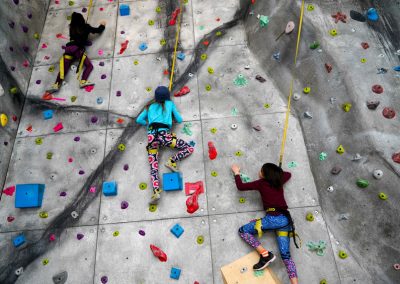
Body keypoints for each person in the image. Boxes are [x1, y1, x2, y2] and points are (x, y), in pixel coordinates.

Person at [231, 163, 299, 284]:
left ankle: (265, 254)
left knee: (243, 231)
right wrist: (278, 173)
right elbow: (288, 174)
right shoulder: (279, 180)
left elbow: (240, 186)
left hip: (273, 219)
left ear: (264, 174)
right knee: (286, 255)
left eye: (261, 170)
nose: (259, 171)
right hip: (285, 220)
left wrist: (236, 172)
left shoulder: (261, 183)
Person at [136, 86, 194, 204]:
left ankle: (156, 191)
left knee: (154, 167)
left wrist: (148, 125)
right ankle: (172, 160)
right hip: (165, 137)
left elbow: (139, 120)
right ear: (167, 96)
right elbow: (179, 120)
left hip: (152, 138)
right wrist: (170, 118)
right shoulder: (170, 104)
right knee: (188, 148)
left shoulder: (150, 106)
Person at [47, 12, 105, 93]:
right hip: (76, 49)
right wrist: (102, 25)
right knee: (89, 66)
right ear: (82, 19)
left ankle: (56, 84)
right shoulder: (86, 27)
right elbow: (98, 30)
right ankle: (83, 81)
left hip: (68, 49)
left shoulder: (72, 28)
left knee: (64, 69)